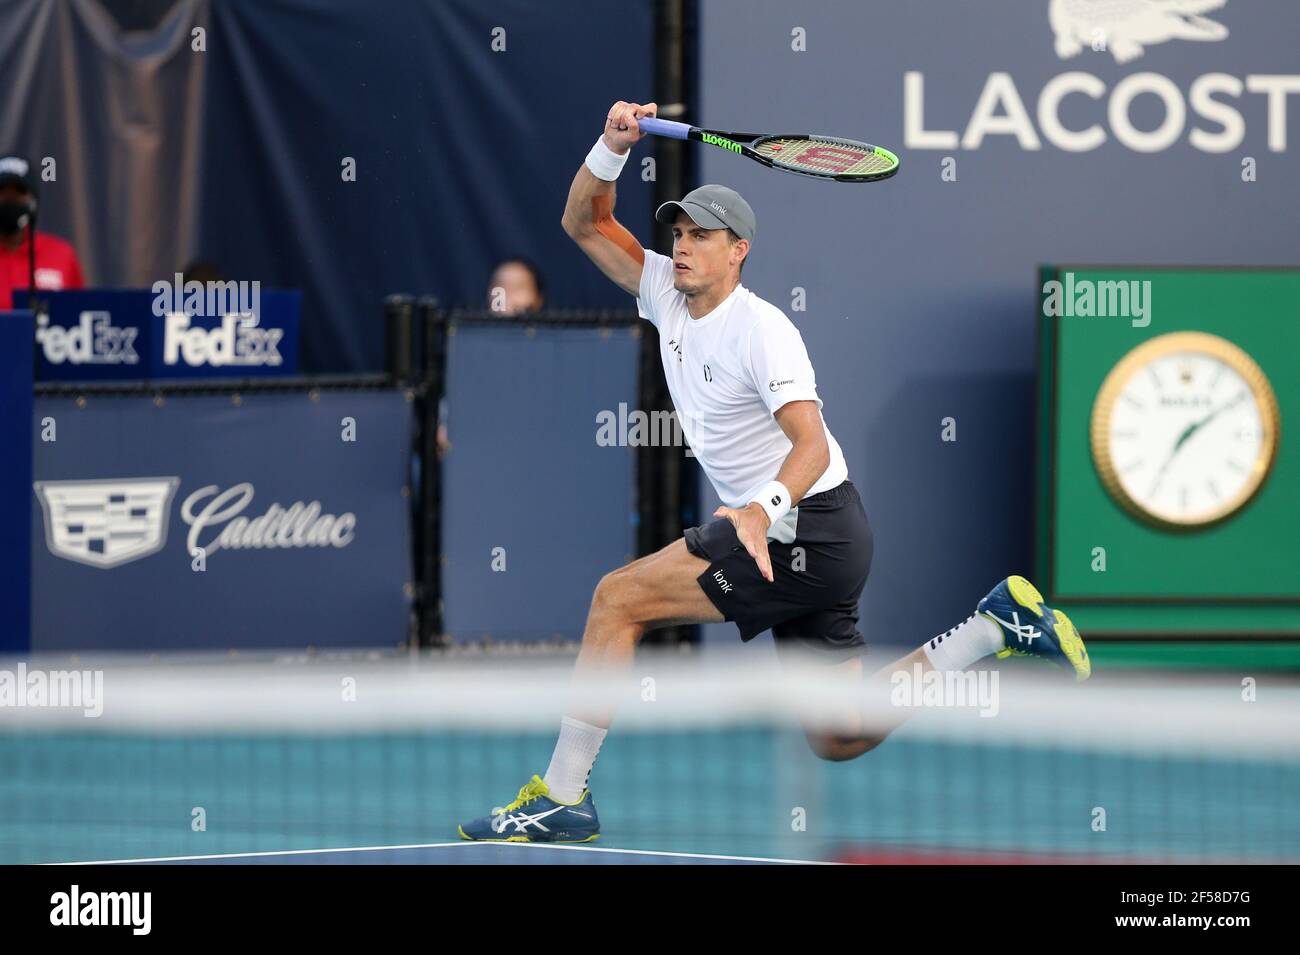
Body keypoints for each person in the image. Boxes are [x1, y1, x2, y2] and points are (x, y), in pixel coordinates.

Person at [458, 100, 1091, 844]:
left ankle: (562, 796)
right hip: (817, 535)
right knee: (841, 732)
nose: (683, 246)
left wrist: (760, 510)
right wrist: (611, 145)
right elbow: (584, 223)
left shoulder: (763, 331)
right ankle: (991, 627)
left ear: (739, 251)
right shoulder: (663, 291)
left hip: (807, 529)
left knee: (617, 599)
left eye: (701, 235)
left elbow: (811, 446)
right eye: (678, 233)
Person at [0, 155, 84, 310]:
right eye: (2, 192)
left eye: (18, 193)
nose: (9, 200)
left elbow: (78, 312)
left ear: (32, 201)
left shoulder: (61, 255)